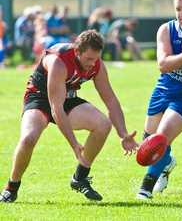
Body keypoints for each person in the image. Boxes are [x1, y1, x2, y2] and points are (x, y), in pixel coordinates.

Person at [0, 30, 138, 203]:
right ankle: (12, 187)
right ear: (77, 52)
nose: (92, 63)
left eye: (96, 58)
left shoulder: (96, 64)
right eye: (88, 59)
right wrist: (74, 144)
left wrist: (123, 134)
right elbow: (55, 108)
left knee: (103, 125)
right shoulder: (58, 61)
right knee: (28, 138)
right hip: (39, 97)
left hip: (66, 97)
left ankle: (80, 178)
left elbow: (110, 99)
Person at [136, 0, 182, 200]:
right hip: (164, 88)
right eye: (178, 9)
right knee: (147, 143)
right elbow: (163, 65)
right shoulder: (167, 29)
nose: (181, 13)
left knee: (161, 139)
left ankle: (145, 189)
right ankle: (166, 163)